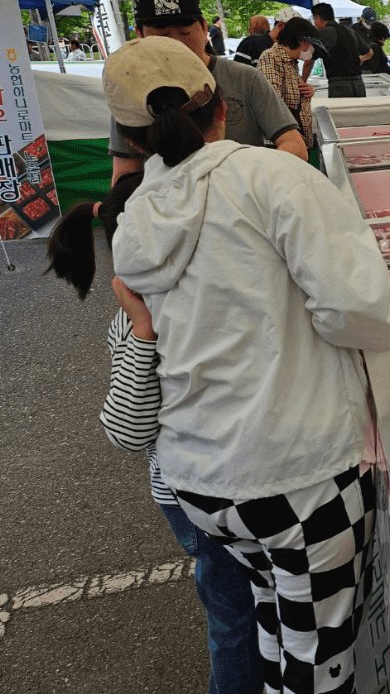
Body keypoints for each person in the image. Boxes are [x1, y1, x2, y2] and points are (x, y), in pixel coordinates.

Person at [102, 35, 390, 694]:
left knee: (275, 613)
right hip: (296, 476)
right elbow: (354, 311)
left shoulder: (135, 212)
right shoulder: (272, 175)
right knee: (320, 652)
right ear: (220, 105)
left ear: (132, 138)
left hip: (200, 479)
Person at [44, 172, 264, 694]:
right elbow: (126, 430)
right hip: (197, 497)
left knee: (251, 606)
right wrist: (144, 332)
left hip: (233, 481)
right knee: (234, 619)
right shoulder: (141, 317)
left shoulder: (193, 291)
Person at [108, 0, 306, 184]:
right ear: (139, 35)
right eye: (163, 37)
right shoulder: (130, 91)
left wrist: (243, 183)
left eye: (185, 33)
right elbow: (124, 175)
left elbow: (295, 145)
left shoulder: (244, 77)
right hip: (170, 209)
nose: (177, 44)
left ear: (204, 28)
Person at [258, 15, 321, 156]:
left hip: (296, 139)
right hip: (282, 144)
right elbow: (273, 101)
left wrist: (308, 92)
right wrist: (293, 134)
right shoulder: (271, 57)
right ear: (300, 41)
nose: (311, 49)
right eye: (309, 44)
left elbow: (291, 95)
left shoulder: (291, 63)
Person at [309, 3, 367, 98]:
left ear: (318, 18)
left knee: (340, 113)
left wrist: (302, 82)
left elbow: (309, 60)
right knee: (359, 113)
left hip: (339, 86)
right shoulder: (350, 31)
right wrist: (360, 59)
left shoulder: (324, 33)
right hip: (359, 85)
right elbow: (369, 52)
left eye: (314, 19)